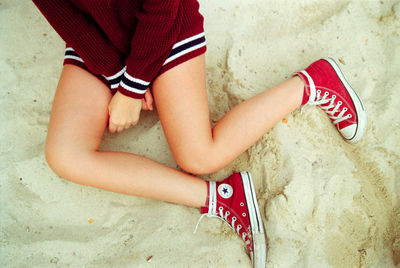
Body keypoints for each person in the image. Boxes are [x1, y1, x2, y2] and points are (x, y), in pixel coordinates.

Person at [32, 0, 367, 267]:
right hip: (103, 43)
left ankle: (314, 82)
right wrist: (119, 75)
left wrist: (133, 88)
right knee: (65, 154)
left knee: (200, 155)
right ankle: (220, 196)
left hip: (165, 28)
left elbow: (163, 6)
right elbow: (68, 19)